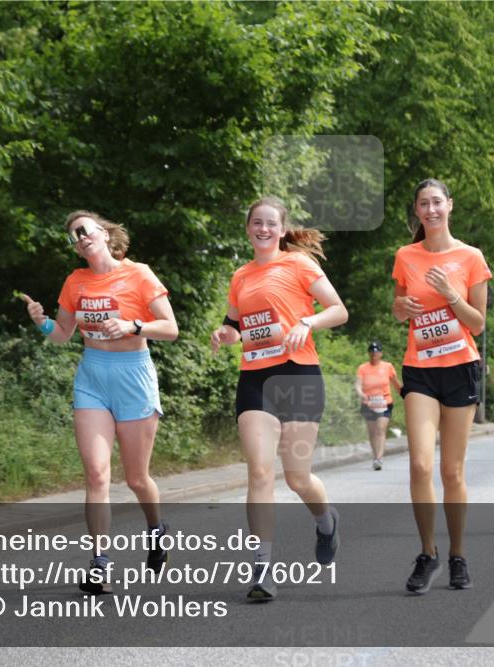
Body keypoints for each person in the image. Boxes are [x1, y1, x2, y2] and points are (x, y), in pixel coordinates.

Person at [21, 210, 179, 594]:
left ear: (105, 234)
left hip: (133, 377)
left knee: (137, 478)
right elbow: (62, 335)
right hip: (92, 377)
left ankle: (157, 531)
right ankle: (100, 563)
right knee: (96, 475)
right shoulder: (75, 281)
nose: (79, 238)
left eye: (84, 231)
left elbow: (171, 329)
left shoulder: (139, 274)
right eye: (73, 237)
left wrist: (133, 325)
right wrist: (41, 321)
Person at [210, 196, 348, 602]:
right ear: (248, 227)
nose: (263, 228)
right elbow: (235, 324)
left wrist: (308, 321)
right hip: (255, 378)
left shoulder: (299, 265)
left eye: (271, 223)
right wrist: (225, 335)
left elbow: (338, 310)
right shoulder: (240, 276)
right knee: (258, 472)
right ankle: (263, 567)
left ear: (283, 230)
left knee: (297, 477)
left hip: (299, 375)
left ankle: (326, 522)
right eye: (257, 222)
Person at [392, 178, 491, 594]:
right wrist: (401, 307)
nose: (431, 210)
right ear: (417, 211)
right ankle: (428, 552)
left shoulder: (470, 257)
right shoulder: (405, 256)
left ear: (449, 205)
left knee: (451, 470)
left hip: (459, 369)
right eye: (423, 204)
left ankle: (458, 555)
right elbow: (398, 310)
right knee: (419, 464)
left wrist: (451, 295)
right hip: (420, 369)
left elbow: (478, 323)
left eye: (437, 202)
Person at [355, 341, 402, 470]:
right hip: (368, 403)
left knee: (380, 429)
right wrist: (361, 393)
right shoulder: (363, 368)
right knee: (372, 432)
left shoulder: (387, 367)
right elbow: (358, 384)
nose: (373, 355)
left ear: (380, 353)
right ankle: (375, 455)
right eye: (371, 353)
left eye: (376, 353)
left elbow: (396, 383)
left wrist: (405, 394)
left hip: (384, 402)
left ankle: (379, 459)